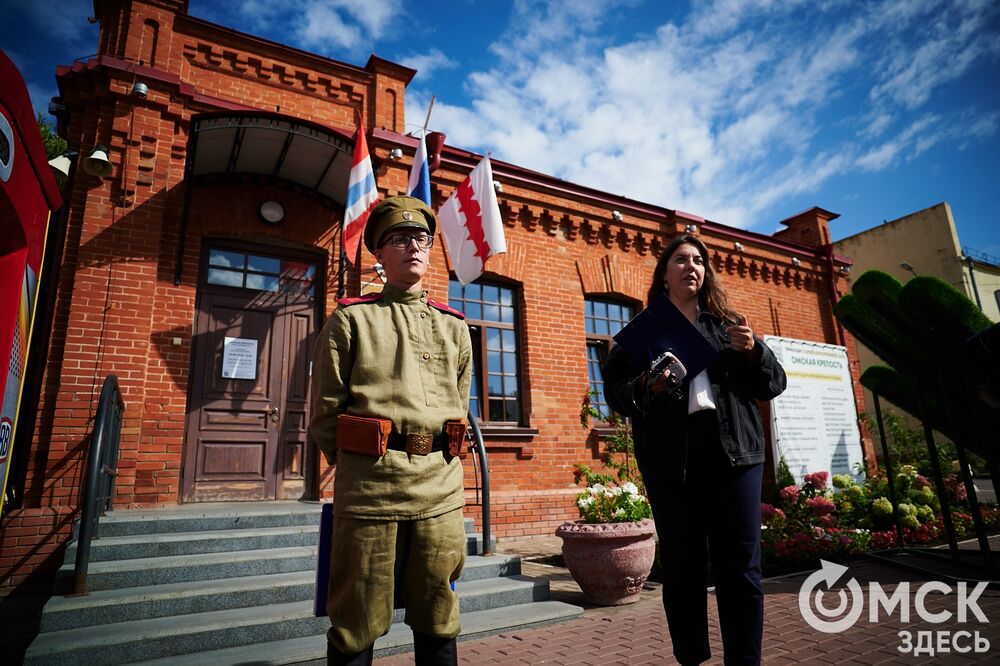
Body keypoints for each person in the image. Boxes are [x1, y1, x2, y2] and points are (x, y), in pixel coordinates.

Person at [603, 234, 786, 665]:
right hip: (672, 461)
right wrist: (646, 387)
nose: (693, 266)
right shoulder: (644, 330)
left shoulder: (728, 325)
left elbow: (773, 383)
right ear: (664, 274)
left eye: (700, 261)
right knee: (683, 573)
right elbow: (615, 391)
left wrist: (754, 351)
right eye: (682, 259)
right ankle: (692, 659)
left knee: (740, 570)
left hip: (734, 456)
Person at [309, 196, 473, 666]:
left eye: (421, 238)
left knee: (439, 612)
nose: (413, 247)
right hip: (370, 490)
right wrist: (361, 464)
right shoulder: (351, 319)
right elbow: (324, 412)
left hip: (440, 489)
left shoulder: (455, 327)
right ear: (379, 255)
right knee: (356, 618)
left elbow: (458, 406)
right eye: (399, 239)